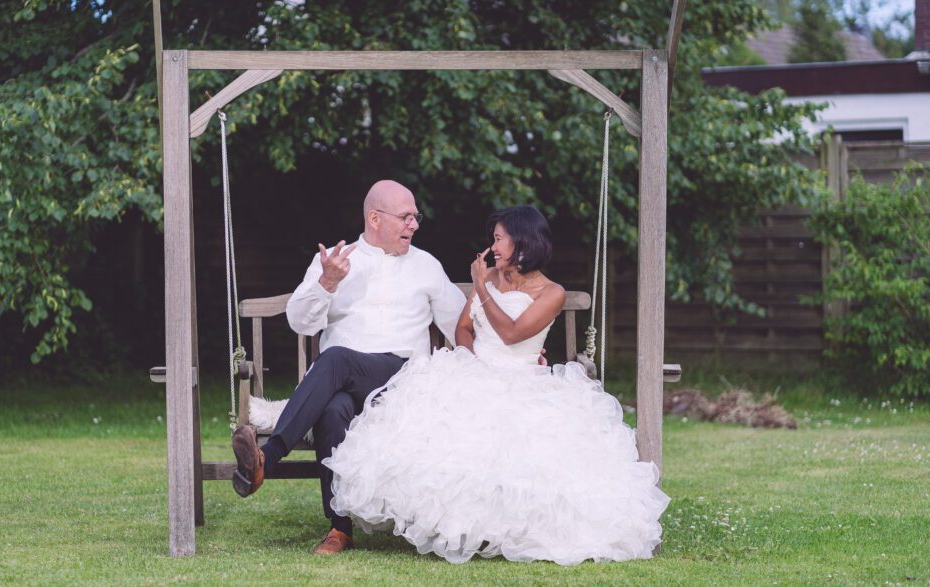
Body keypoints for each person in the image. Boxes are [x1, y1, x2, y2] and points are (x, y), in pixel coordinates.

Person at [323, 205, 671, 565]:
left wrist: (479, 286)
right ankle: (453, 524)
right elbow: (463, 328)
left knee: (515, 449)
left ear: (523, 241)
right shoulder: (490, 276)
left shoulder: (550, 292)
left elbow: (512, 333)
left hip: (522, 379)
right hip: (475, 370)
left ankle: (510, 530)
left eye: (500, 238)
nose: (494, 246)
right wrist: (472, 361)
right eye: (494, 239)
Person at [231, 179, 466, 555]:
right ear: (375, 218)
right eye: (406, 217)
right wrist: (326, 283)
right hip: (345, 383)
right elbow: (300, 322)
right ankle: (339, 529)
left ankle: (268, 458)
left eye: (415, 217)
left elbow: (462, 326)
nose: (415, 225)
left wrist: (505, 352)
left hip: (404, 380)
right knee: (332, 407)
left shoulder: (426, 266)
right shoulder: (338, 261)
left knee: (337, 357)